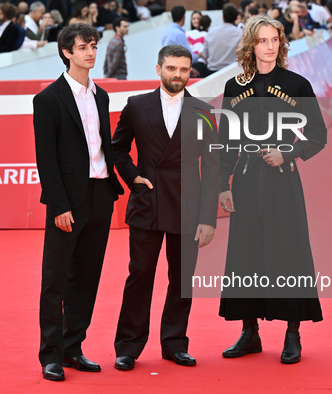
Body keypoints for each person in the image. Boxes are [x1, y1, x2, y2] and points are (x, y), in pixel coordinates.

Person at [218, 15, 326, 364]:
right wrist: (223, 184)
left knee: (288, 251)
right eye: (263, 40)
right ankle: (250, 331)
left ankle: (293, 332)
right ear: (251, 45)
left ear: (281, 44)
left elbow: (318, 136)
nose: (269, 46)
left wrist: (288, 151)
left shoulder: (297, 84)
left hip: (283, 179)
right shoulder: (236, 86)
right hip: (246, 180)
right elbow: (226, 139)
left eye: (274, 40)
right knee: (246, 251)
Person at [111, 44, 219, 371]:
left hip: (188, 206)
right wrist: (134, 179)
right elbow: (117, 150)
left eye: (184, 70)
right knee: (140, 275)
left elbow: (212, 167)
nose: (178, 75)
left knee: (182, 279)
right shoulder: (136, 105)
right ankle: (128, 347)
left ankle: (174, 343)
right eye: (172, 69)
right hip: (147, 204)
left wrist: (208, 219)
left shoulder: (204, 111)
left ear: (191, 72)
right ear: (158, 69)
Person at [33, 23, 124, 382]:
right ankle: (50, 355)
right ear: (66, 52)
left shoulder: (101, 96)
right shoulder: (48, 99)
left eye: (93, 46)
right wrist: (58, 206)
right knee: (55, 280)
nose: (91, 52)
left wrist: (114, 186)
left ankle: (73, 348)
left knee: (86, 278)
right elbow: (46, 159)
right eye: (83, 47)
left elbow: (103, 146)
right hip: (67, 201)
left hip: (100, 196)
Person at [202, 3, 242, 75]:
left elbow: (205, 54)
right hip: (231, 72)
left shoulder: (211, 32)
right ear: (236, 18)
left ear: (222, 17)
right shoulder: (240, 33)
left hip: (212, 73)